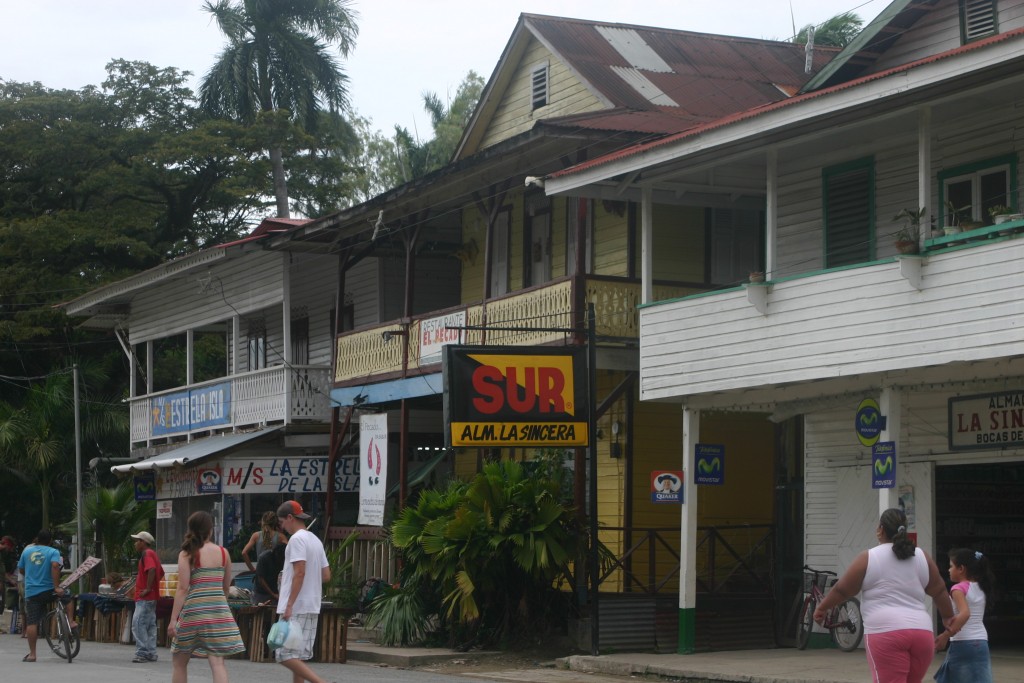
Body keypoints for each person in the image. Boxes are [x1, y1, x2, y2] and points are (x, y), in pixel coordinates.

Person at [814, 508, 954, 683]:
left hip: (886, 633)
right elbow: (939, 590)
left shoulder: (869, 557)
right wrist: (948, 617)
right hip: (922, 634)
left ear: (880, 529)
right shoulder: (921, 556)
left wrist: (822, 608)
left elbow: (842, 590)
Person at [167, 511, 245, 683]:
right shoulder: (224, 553)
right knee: (217, 662)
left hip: (193, 611)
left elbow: (182, 588)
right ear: (210, 530)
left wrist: (173, 619)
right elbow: (226, 587)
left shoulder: (187, 553)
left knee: (180, 661)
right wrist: (218, 605)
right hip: (218, 612)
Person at [275, 500, 331, 683]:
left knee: (283, 654)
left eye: (282, 522)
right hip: (311, 604)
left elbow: (300, 572)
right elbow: (326, 575)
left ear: (290, 518)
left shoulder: (297, 539)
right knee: (296, 655)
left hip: (297, 605)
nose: (282, 527)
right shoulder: (315, 540)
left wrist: (289, 604)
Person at [933, 548, 995, 683]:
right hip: (981, 641)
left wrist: (945, 636)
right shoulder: (981, 587)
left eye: (951, 566)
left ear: (961, 569)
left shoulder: (958, 589)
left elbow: (965, 613)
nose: (948, 570)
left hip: (963, 643)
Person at [16, 529, 75, 662]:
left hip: (32, 592)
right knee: (68, 597)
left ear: (37, 538)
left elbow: (21, 569)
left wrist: (32, 575)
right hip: (50, 591)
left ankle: (32, 654)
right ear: (50, 540)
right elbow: (55, 566)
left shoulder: (26, 551)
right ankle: (70, 621)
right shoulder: (53, 552)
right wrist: (56, 587)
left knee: (32, 622)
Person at [130, 530, 164, 663]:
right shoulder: (153, 554)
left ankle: (142, 652)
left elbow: (152, 570)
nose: (135, 544)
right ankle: (151, 652)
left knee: (138, 623)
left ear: (143, 542)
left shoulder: (147, 554)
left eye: (137, 541)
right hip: (152, 597)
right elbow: (160, 573)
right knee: (150, 625)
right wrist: (153, 587)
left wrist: (148, 588)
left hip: (144, 597)